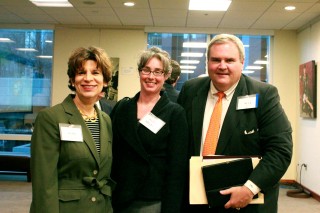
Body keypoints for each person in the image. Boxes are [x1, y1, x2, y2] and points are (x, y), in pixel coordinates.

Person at [178, 34, 292, 212]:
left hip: (245, 202)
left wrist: (249, 188)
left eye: (229, 60)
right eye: (216, 60)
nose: (222, 66)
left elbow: (280, 151)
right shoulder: (190, 90)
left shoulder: (264, 95)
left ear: (242, 62)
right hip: (196, 199)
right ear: (207, 62)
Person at [30, 46, 115, 213]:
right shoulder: (50, 118)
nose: (88, 78)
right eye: (81, 72)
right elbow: (44, 182)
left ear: (105, 81)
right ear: (72, 79)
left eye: (95, 73)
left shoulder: (105, 120)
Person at [110, 46, 189, 213]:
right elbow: (112, 153)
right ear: (139, 72)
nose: (151, 77)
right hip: (120, 197)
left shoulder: (175, 113)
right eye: (146, 70)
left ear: (166, 76)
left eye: (158, 72)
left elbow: (177, 169)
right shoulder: (122, 108)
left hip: (153, 200)